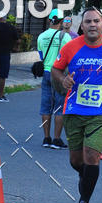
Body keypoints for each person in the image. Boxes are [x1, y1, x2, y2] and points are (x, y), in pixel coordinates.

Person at [51, 6, 102, 203]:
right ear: (82, 26)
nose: (92, 25)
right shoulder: (72, 47)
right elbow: (56, 68)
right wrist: (63, 80)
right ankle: (85, 175)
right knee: (75, 160)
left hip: (101, 112)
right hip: (74, 110)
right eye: (88, 21)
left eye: (96, 21)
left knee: (91, 155)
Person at [37, 9, 68, 148]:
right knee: (60, 107)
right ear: (61, 22)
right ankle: (56, 139)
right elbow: (68, 58)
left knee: (46, 106)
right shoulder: (65, 37)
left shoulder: (41, 36)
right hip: (59, 74)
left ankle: (46, 138)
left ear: (50, 20)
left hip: (46, 73)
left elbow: (41, 56)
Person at [0, 14, 20, 101]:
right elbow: (18, 40)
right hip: (5, 54)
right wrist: (16, 48)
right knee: (2, 76)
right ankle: (0, 95)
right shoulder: (11, 28)